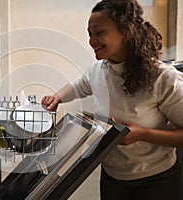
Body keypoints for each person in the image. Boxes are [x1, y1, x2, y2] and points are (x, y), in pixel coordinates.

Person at [41, 0, 183, 199]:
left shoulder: (162, 77)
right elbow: (77, 87)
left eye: (99, 33)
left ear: (126, 32)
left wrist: (142, 134)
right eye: (90, 34)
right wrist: (56, 97)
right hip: (112, 178)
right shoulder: (98, 71)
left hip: (157, 180)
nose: (91, 41)